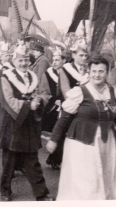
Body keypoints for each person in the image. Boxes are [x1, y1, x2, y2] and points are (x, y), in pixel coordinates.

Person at [47, 54, 116, 200]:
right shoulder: (80, 91)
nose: (97, 75)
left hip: (106, 143)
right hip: (83, 144)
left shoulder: (112, 91)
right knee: (87, 182)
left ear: (107, 73)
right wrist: (53, 139)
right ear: (89, 73)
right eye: (94, 71)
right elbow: (64, 118)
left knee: (106, 177)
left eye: (101, 71)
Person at [0, 42, 53, 201]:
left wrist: (40, 100)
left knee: (32, 159)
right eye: (20, 60)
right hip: (13, 122)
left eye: (26, 60)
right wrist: (29, 104)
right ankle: (5, 190)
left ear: (29, 61)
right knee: (10, 160)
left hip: (30, 124)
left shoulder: (34, 77)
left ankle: (41, 193)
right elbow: (7, 100)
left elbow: (45, 93)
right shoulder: (6, 77)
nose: (23, 63)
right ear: (14, 61)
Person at [39, 51, 66, 169]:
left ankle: (54, 158)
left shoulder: (67, 73)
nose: (54, 62)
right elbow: (43, 91)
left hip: (65, 106)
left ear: (64, 61)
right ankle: (54, 159)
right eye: (53, 60)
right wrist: (53, 100)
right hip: (53, 108)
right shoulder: (48, 74)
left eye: (57, 60)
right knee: (57, 133)